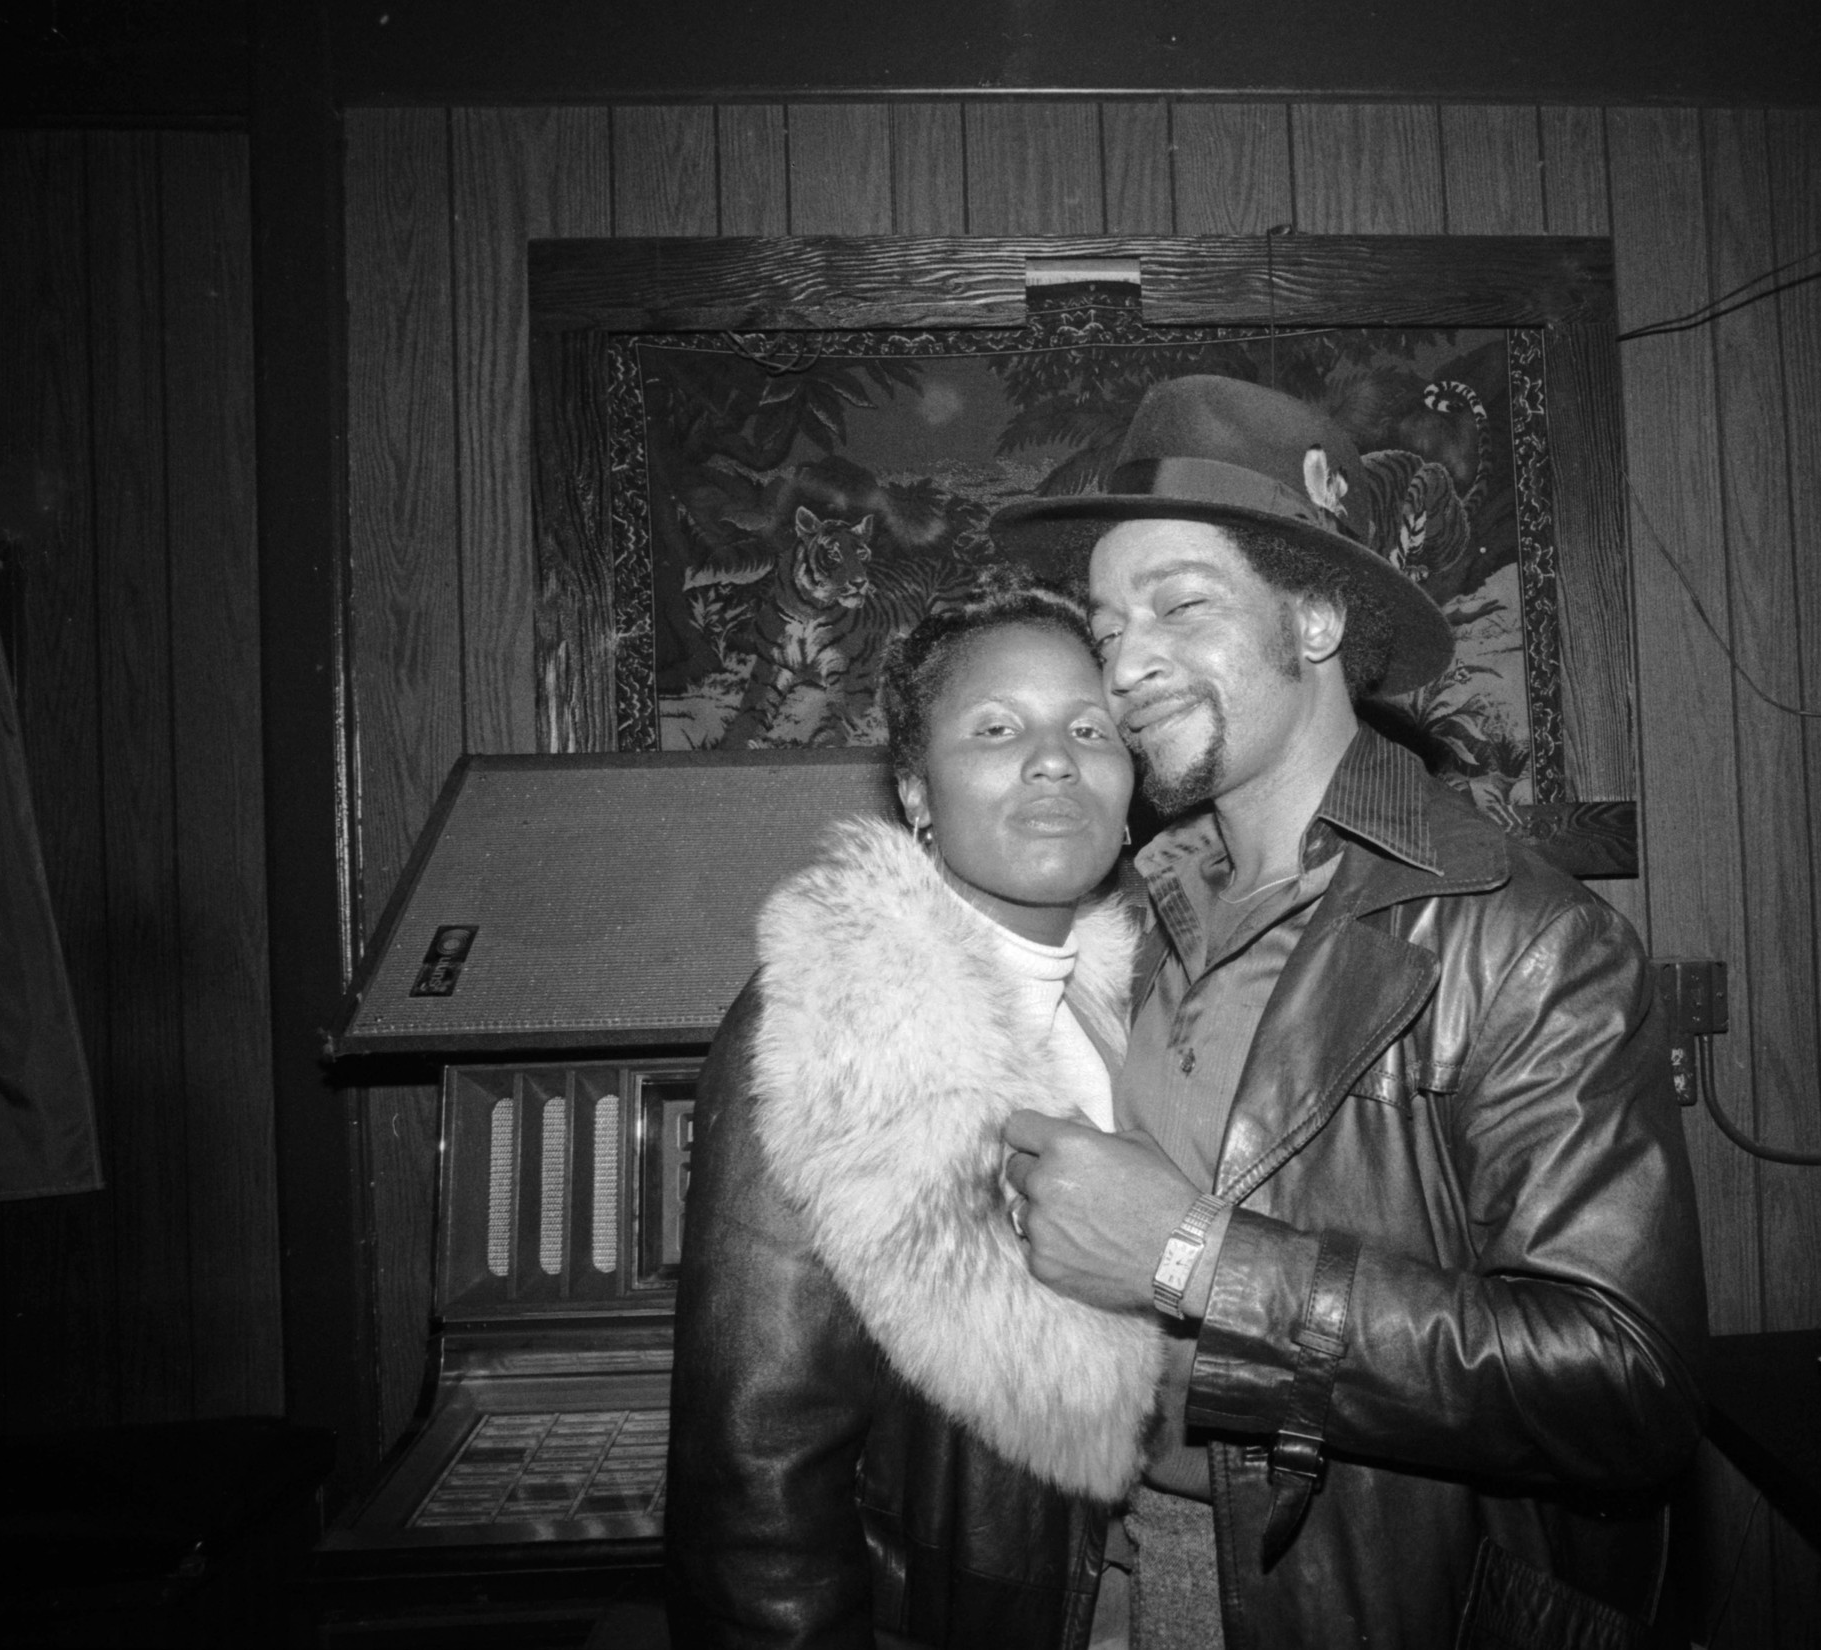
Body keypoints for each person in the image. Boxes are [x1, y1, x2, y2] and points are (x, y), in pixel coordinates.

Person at [990, 375, 1708, 1649]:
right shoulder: (1129, 914)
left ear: (1316, 617)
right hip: (1103, 1571)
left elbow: (1624, 1387)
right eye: (1106, 627)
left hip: (1354, 1594)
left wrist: (1195, 1259)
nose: (1126, 664)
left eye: (1180, 605)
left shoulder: (1521, 937)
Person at [667, 577, 1161, 1648]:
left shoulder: (1151, 1006)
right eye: (996, 728)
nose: (1054, 758)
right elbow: (756, 1469)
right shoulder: (832, 1018)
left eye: (1091, 729)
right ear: (916, 791)